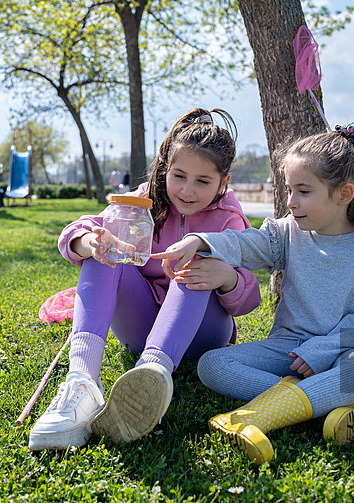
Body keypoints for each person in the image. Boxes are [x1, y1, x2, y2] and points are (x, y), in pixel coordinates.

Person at [153, 122, 354, 464]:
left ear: (343, 194)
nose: (291, 202)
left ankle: (255, 417)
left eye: (303, 191)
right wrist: (202, 240)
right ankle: (325, 404)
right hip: (286, 350)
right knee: (212, 364)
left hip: (342, 351)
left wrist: (321, 349)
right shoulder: (287, 233)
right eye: (288, 190)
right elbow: (246, 244)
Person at [28, 108, 261, 450]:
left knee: (194, 262)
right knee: (103, 250)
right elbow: (76, 231)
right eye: (179, 175)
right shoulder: (140, 203)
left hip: (202, 334)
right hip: (141, 327)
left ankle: (151, 376)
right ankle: (81, 383)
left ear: (223, 183)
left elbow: (249, 298)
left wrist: (226, 277)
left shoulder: (229, 220)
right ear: (166, 169)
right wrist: (89, 241)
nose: (187, 190)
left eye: (203, 181)